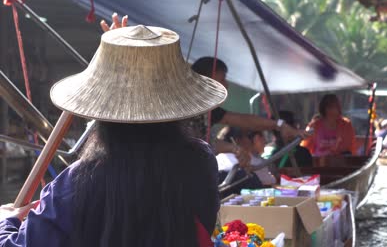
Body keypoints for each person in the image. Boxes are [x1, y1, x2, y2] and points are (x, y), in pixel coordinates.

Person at [0, 25, 224, 246]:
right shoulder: (200, 160)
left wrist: (6, 222)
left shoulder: (79, 181)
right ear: (176, 102)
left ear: (103, 109)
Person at [100, 14, 306, 160]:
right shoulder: (176, 103)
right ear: (205, 77)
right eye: (222, 78)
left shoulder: (209, 110)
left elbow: (243, 120)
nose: (225, 85)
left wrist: (278, 125)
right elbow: (193, 143)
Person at [216, 127, 276, 196]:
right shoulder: (249, 160)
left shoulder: (215, 160)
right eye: (247, 137)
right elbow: (270, 181)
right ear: (236, 140)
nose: (250, 141)